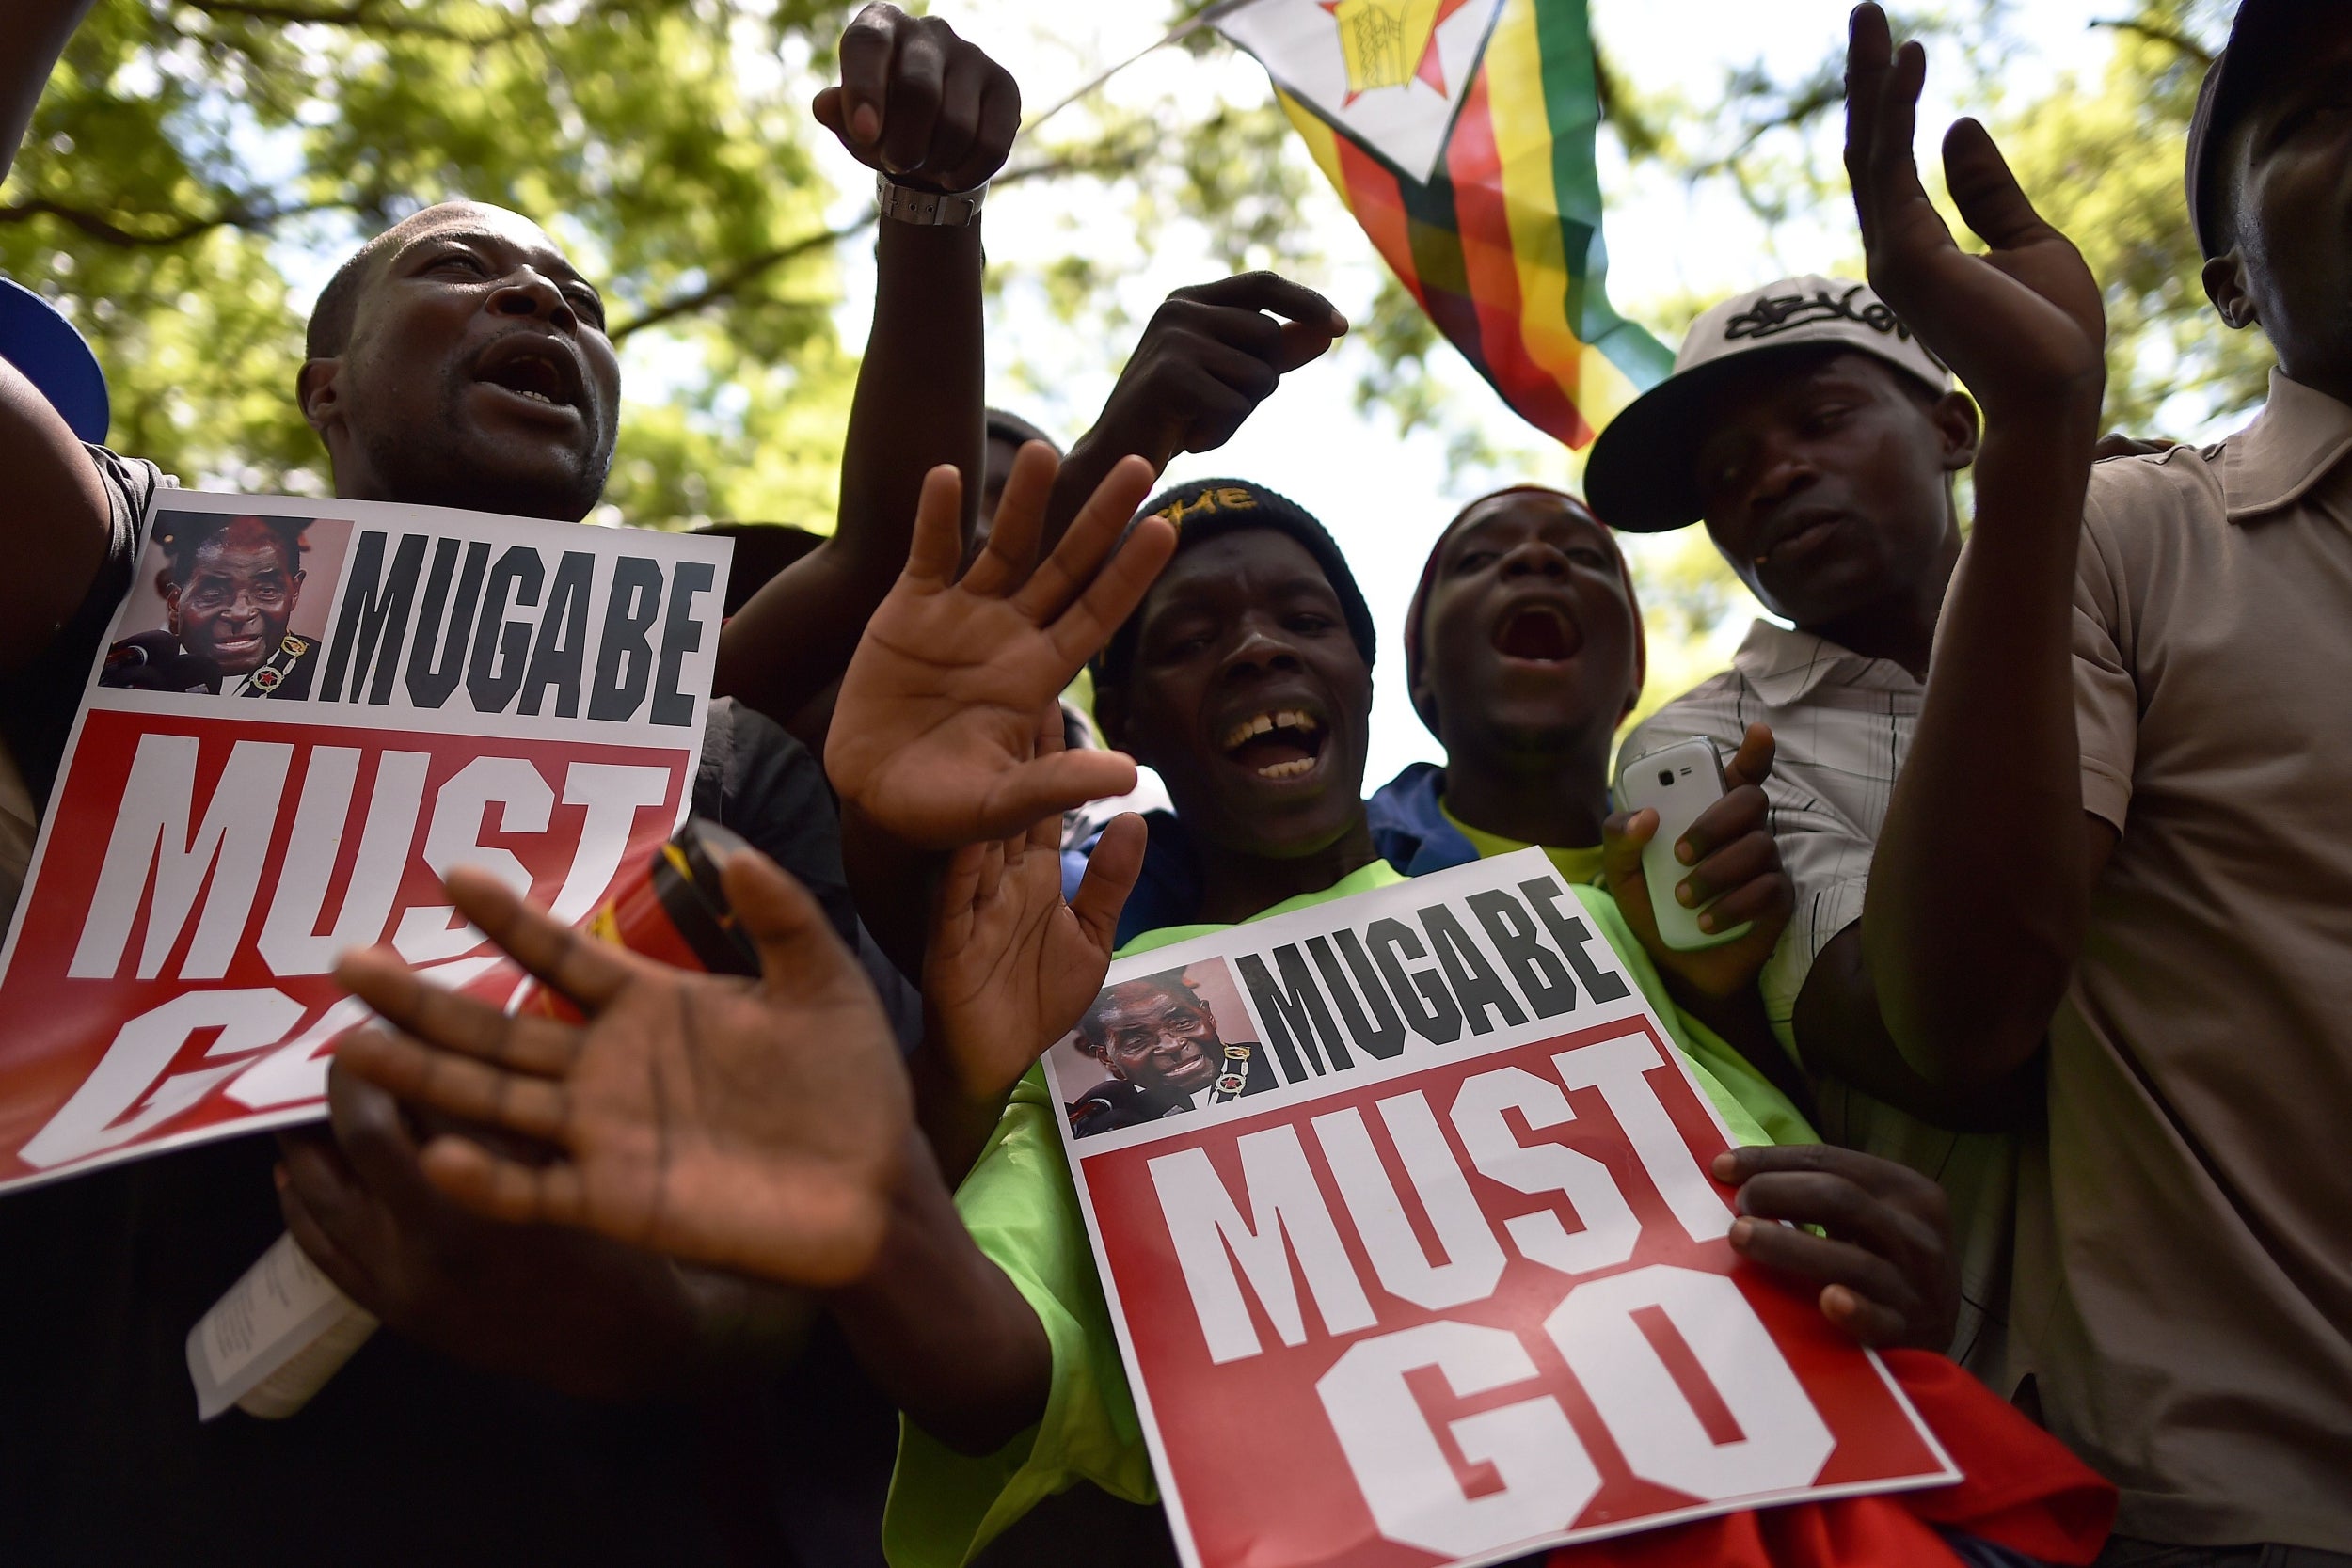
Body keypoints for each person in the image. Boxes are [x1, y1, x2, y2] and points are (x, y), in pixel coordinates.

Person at [343, 448, 2115, 1568]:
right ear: (1127, 731)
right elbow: (1000, 1372)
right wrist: (877, 1202)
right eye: (1190, 639)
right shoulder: (1089, 1022)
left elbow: (1806, 1198)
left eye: (1300, 619)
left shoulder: (1589, 918)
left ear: (1371, 681)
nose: (1259, 650)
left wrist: (1883, 1242)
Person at [0, 2, 1025, 1560]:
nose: (539, 298)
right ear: (324, 384)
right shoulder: (158, 596)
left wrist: (662, 1325)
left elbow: (827, 1222)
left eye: (581, 296)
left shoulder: (730, 755)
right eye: (465, 268)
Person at [1845, 0, 2352, 1556]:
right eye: (2319, 113)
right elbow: (1963, 1006)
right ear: (2233, 287)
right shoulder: (2128, 534)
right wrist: (2042, 434)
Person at [1579, 276, 2027, 1378]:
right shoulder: (1704, 750)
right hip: (2021, 1391)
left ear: (1952, 426)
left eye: (1822, 420)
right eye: (1723, 477)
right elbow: (1955, 1053)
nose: (1774, 476)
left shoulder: (2135, 583)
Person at [1367, 483, 1815, 1138]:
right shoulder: (1314, 872)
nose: (1535, 558)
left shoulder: (1735, 871)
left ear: (1635, 666)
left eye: (1583, 555)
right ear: (1421, 665)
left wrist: (1719, 989)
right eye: (1478, 558)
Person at [101, 512, 323, 696]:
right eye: (213, 593)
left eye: (266, 590)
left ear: (294, 591)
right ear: (175, 601)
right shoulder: (123, 664)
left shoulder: (328, 673)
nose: (240, 613)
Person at [1063, 969, 1278, 1135]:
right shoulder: (1101, 1115)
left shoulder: (1279, 1063)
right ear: (1107, 1058)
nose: (1172, 1045)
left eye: (1183, 1023)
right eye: (1137, 1041)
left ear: (1208, 1015)